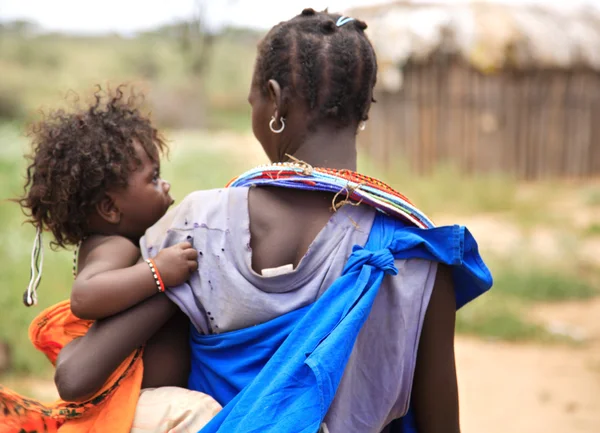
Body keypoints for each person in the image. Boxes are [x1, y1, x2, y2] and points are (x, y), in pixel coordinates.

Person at [53, 9, 492, 433]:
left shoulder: (197, 228)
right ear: (365, 107)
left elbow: (80, 374)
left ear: (275, 99)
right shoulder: (417, 253)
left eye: (253, 102)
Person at [0, 86, 221, 433]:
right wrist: (159, 273)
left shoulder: (122, 243)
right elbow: (85, 296)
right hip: (130, 407)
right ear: (110, 208)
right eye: (153, 178)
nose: (165, 186)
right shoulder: (114, 246)